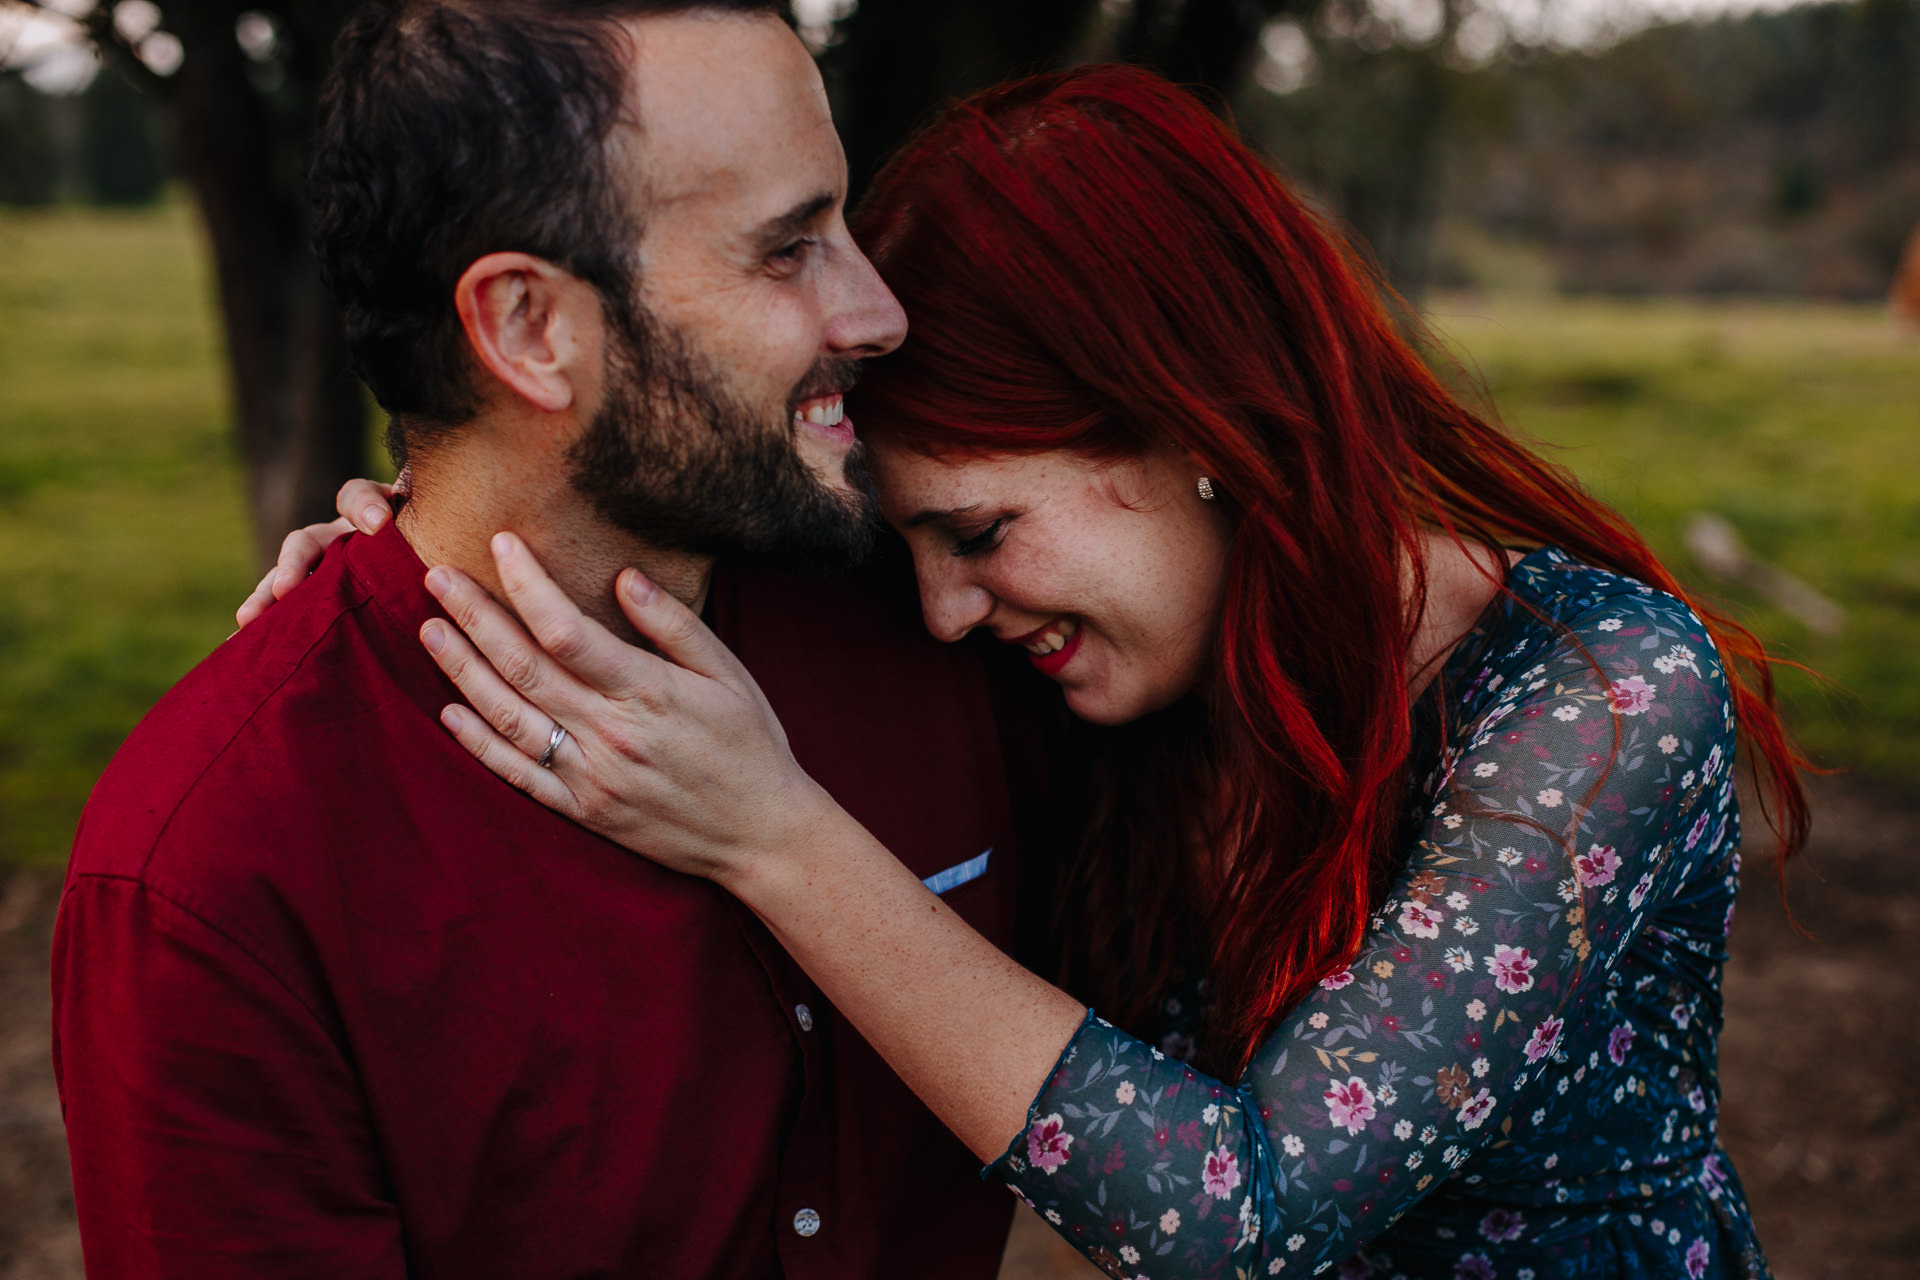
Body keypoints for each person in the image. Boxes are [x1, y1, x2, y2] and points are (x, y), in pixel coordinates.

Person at [296, 67, 1808, 1277]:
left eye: (983, 529)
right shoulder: (1093, 683)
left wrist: (776, 834)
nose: (947, 614)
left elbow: (1250, 1212)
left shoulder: (1595, 699)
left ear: (1204, 429)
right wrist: (419, 544)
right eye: (914, 550)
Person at [53, 3, 1034, 1276]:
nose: (878, 310)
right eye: (789, 251)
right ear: (526, 326)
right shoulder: (218, 868)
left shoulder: (947, 623)